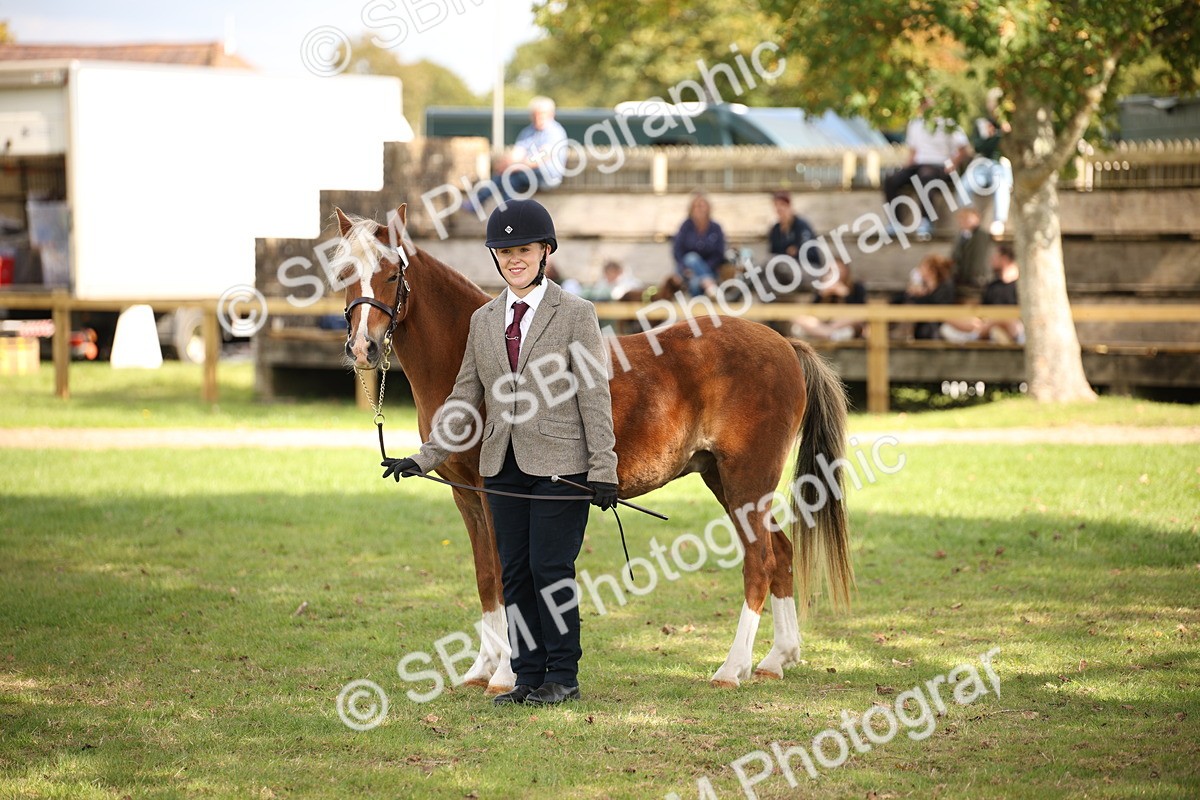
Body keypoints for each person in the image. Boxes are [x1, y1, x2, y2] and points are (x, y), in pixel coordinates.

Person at [381, 198, 618, 707]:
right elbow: (464, 397)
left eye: (525, 250)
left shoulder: (577, 314)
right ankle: (528, 675)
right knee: (513, 570)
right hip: (501, 467)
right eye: (505, 251)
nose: (515, 259)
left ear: (544, 252)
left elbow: (595, 396)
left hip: (560, 469)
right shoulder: (484, 320)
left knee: (550, 571)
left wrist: (604, 467)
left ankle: (563, 675)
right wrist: (421, 458)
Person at [883, 96, 971, 241]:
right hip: (918, 164)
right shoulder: (915, 124)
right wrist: (903, 169)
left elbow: (963, 149)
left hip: (939, 165)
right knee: (892, 180)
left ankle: (925, 221)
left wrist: (952, 165)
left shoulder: (948, 123)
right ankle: (895, 222)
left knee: (925, 178)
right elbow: (913, 151)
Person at [472, 96, 569, 209]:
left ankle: (484, 203)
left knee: (508, 177)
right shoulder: (528, 131)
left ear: (551, 114)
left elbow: (542, 156)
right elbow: (518, 152)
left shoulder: (555, 132)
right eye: (535, 115)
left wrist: (516, 166)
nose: (538, 118)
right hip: (527, 173)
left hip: (547, 176)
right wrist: (508, 163)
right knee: (509, 179)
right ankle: (509, 215)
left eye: (541, 114)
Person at [941, 243, 1024, 343]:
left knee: (1003, 320)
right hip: (987, 324)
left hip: (1013, 325)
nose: (991, 260)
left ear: (1004, 258)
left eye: (995, 256)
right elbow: (983, 310)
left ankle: (979, 334)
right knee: (950, 319)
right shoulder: (993, 286)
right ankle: (977, 335)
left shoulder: (1021, 286)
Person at [965, 88, 1014, 237]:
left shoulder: (1012, 124)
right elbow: (981, 146)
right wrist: (998, 135)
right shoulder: (982, 123)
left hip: (1001, 165)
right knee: (964, 185)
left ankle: (999, 220)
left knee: (1001, 184)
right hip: (981, 165)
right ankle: (968, 221)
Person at [790, 258, 867, 341]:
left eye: (839, 270)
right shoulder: (822, 285)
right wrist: (822, 295)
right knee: (799, 319)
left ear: (846, 271)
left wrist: (845, 294)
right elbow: (811, 310)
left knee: (854, 318)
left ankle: (825, 333)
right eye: (832, 270)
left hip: (843, 323)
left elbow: (861, 311)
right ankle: (830, 335)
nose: (836, 273)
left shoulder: (856, 287)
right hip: (823, 322)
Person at [672, 192, 727, 297]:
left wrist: (703, 268)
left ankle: (706, 282)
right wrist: (684, 268)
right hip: (687, 271)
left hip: (711, 270)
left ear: (708, 208)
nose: (699, 209)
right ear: (691, 209)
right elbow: (677, 251)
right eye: (696, 206)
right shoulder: (685, 227)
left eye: (702, 206)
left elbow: (719, 254)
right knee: (691, 258)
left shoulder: (716, 228)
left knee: (695, 283)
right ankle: (709, 284)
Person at [895, 253, 956, 339]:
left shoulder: (945, 286)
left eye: (923, 267)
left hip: (937, 326)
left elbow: (937, 306)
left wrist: (923, 294)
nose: (920, 270)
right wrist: (912, 292)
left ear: (932, 270)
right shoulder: (922, 286)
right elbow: (898, 299)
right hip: (922, 324)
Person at [950, 207, 992, 300]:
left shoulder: (981, 235)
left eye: (967, 218)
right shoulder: (961, 236)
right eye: (962, 219)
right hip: (960, 282)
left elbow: (978, 260)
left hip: (974, 284)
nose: (964, 221)